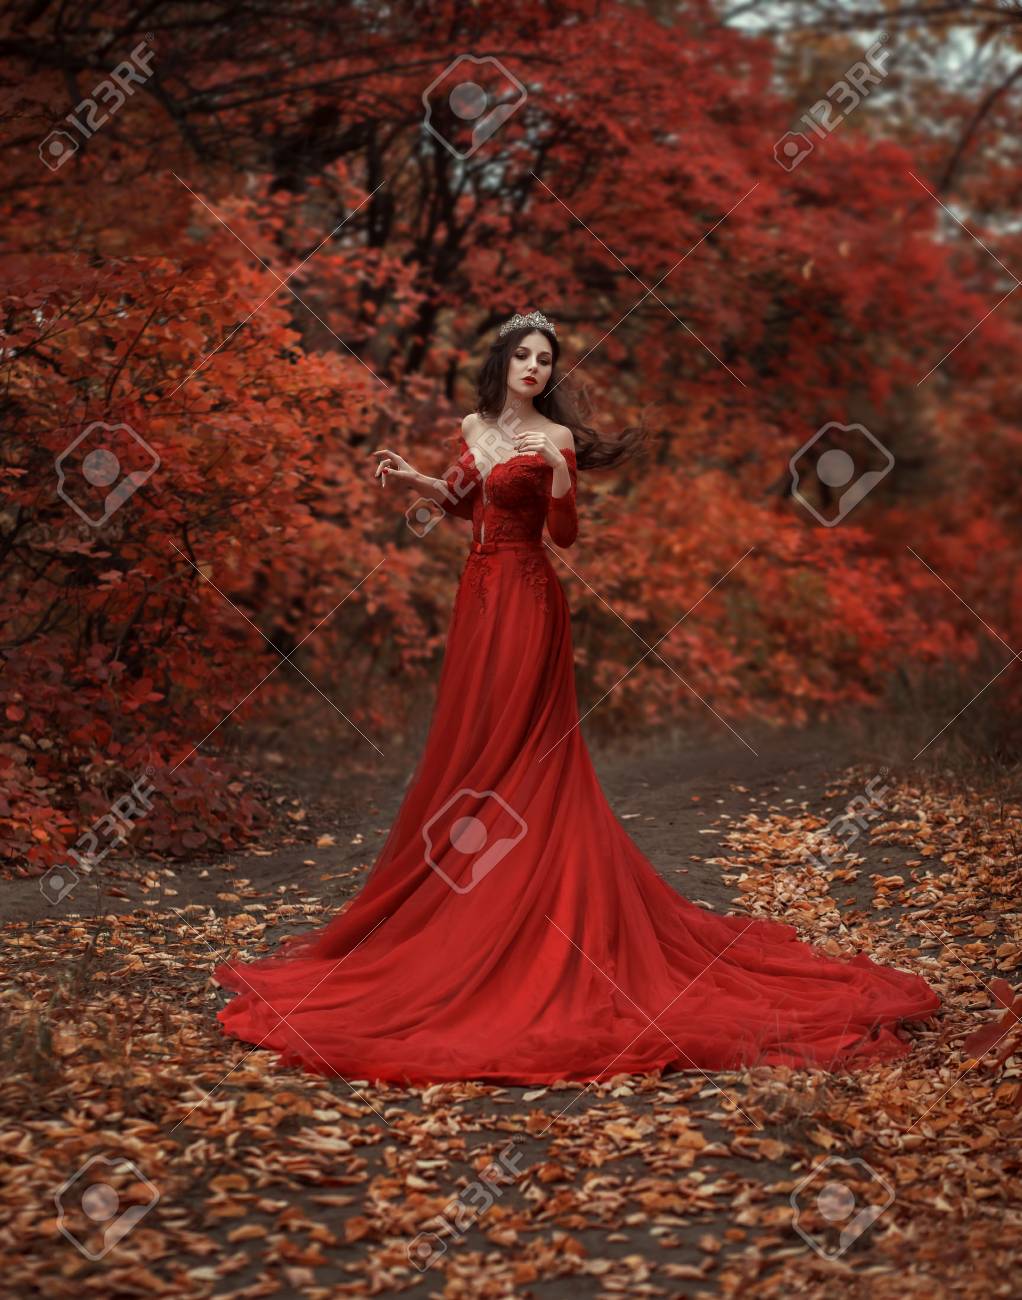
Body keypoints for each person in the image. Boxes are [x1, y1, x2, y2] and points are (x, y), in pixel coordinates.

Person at [213, 309, 941, 1085]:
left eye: (544, 358)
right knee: (474, 746)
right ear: (502, 363)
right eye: (523, 355)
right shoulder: (475, 423)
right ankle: (470, 890)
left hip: (528, 595)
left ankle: (519, 894)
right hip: (477, 597)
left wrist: (559, 476)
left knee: (524, 747)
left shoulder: (552, 440)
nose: (533, 366)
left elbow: (565, 536)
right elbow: (472, 503)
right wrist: (420, 482)